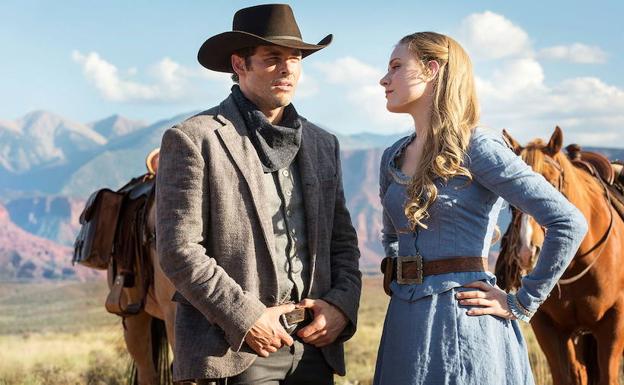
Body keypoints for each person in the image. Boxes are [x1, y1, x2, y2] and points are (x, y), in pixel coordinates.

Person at [155, 4, 361, 385]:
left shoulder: (322, 143)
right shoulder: (195, 139)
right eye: (272, 58)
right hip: (235, 350)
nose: (287, 69)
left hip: (314, 346)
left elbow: (342, 242)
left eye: (295, 58)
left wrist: (341, 306)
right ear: (239, 64)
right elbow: (178, 248)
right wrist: (245, 317)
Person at [374, 31, 588, 385]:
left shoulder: (478, 147)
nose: (384, 79)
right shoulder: (392, 156)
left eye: (396, 66)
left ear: (431, 70)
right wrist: (403, 280)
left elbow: (567, 221)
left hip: (464, 318)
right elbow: (390, 234)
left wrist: (522, 302)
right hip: (404, 320)